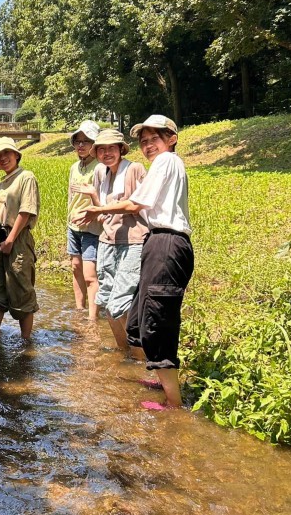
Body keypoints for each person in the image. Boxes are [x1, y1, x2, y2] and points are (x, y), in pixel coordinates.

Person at [75, 115, 194, 410]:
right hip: (158, 240)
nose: (148, 146)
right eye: (144, 141)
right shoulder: (162, 166)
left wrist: (96, 209)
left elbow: (134, 205)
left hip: (167, 242)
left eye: (154, 139)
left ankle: (173, 403)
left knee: (157, 320)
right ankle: (160, 377)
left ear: (171, 139)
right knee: (141, 318)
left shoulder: (166, 162)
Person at [75, 129, 149, 356]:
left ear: (121, 149)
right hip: (107, 241)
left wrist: (98, 208)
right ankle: (124, 353)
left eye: (112, 148)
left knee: (121, 303)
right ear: (96, 153)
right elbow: (105, 213)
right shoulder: (101, 172)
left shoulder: (134, 169)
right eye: (102, 149)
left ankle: (139, 358)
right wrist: (94, 207)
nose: (107, 153)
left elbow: (137, 205)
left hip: (132, 242)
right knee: (106, 302)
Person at [0, 137, 40, 339]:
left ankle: (26, 341)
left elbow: (26, 212)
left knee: (20, 283)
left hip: (18, 237)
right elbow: (2, 213)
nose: (3, 158)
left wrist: (10, 241)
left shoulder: (26, 177)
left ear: (16, 154)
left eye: (6, 153)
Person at [67, 120, 102, 321]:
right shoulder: (74, 167)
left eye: (86, 141)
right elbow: (70, 197)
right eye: (78, 141)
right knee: (75, 267)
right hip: (73, 226)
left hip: (92, 227)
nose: (81, 145)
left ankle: (92, 319)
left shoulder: (100, 167)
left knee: (90, 275)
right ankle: (79, 310)